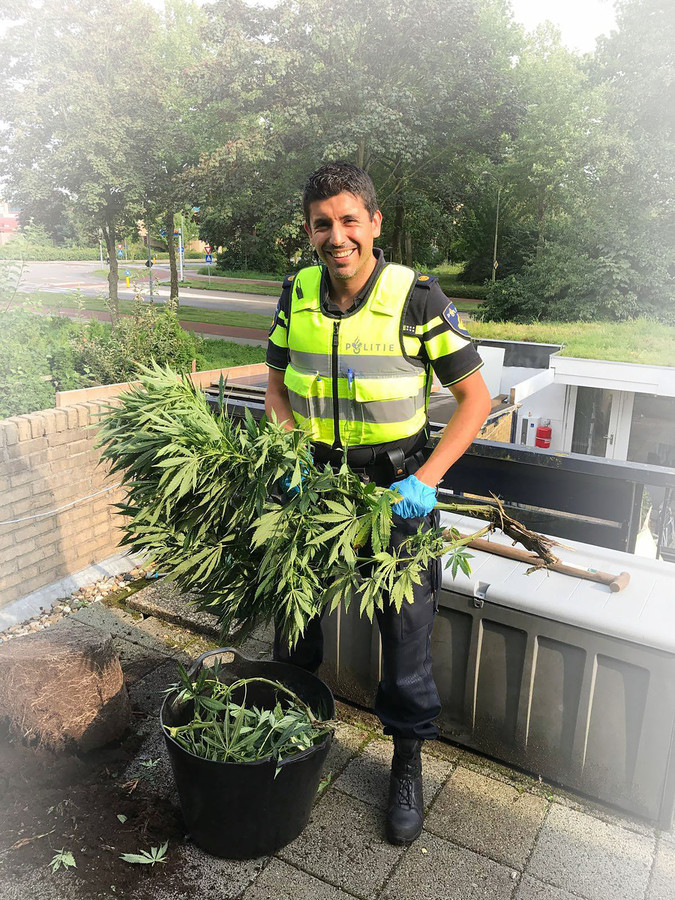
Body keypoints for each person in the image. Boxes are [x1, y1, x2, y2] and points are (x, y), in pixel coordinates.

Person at [265, 161, 491, 844]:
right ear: (308, 232)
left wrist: (427, 481)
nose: (337, 236)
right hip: (313, 488)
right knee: (294, 622)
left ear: (374, 222)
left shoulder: (415, 298)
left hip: (398, 492)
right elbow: (276, 389)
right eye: (322, 224)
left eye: (348, 220)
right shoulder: (296, 292)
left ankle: (405, 763)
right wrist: (288, 457)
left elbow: (474, 400)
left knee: (406, 634)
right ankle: (291, 731)